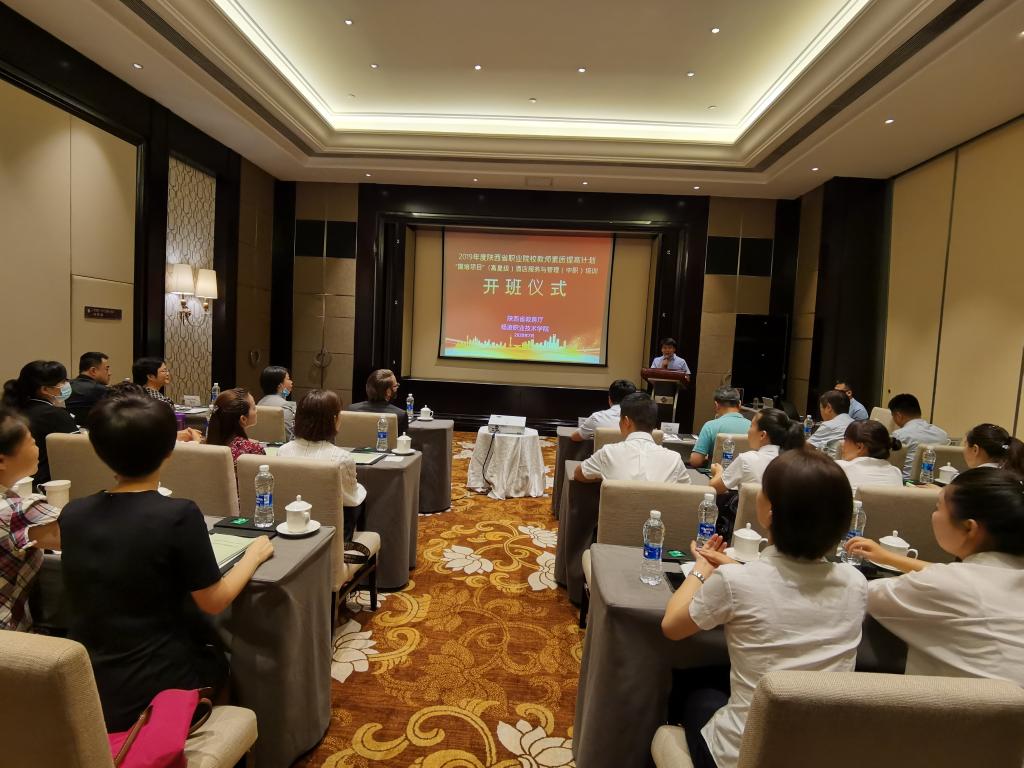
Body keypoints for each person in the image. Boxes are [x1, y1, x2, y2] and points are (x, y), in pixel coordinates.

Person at [59, 393, 274, 731]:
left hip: (86, 682)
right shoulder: (178, 514)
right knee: (228, 658)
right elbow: (215, 601)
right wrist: (253, 555)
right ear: (169, 450)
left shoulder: (73, 513)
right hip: (156, 686)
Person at [662, 449, 867, 768]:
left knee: (695, 691)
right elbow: (790, 582)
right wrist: (734, 568)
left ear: (770, 512)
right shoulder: (855, 582)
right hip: (820, 753)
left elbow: (672, 626)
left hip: (742, 755)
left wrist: (701, 569)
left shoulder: (735, 582)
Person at [845, 468, 1024, 685]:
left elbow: (859, 594)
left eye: (938, 507)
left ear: (969, 528)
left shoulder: (945, 585)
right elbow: (968, 577)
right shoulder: (997, 576)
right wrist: (889, 558)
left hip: (949, 706)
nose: (933, 514)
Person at [0, 405, 62, 631]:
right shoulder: (15, 512)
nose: (37, 446)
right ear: (1, 461)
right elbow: (82, 534)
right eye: (31, 441)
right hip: (10, 641)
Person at [279, 389, 366, 538]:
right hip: (331, 533)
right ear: (334, 419)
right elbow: (350, 499)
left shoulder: (283, 451)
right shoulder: (342, 458)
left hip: (292, 525)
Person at [574, 393, 690, 483]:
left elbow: (579, 474)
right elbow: (686, 493)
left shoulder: (608, 453)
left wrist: (603, 474)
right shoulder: (675, 459)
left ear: (626, 421)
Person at [2, 361, 80, 486]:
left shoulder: (14, 410)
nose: (67, 384)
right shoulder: (55, 415)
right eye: (62, 381)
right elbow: (79, 453)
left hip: (14, 481)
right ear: (44, 389)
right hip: (46, 484)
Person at [708, 408, 804, 494]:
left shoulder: (746, 459)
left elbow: (714, 488)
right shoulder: (794, 463)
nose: (748, 431)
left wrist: (719, 471)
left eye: (751, 426)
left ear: (762, 435)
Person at [887, 393, 949, 480]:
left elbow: (890, 464)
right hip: (935, 484)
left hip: (905, 484)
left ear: (898, 416)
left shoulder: (899, 435)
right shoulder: (942, 434)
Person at [690, 387, 751, 469]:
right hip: (744, 475)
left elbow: (695, 461)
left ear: (716, 405)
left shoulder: (710, 426)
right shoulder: (753, 426)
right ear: (739, 404)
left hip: (716, 475)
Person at [835, 419, 904, 488]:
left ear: (859, 447)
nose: (842, 445)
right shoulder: (896, 473)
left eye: (845, 439)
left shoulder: (839, 468)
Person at [205, 388, 265, 463]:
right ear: (243, 419)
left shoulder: (207, 446)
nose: (256, 411)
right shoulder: (253, 450)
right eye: (254, 408)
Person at [572, 379, 637, 442]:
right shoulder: (640, 419)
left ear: (609, 399)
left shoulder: (597, 417)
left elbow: (575, 437)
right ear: (634, 400)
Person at [348, 369, 408, 436]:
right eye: (395, 386)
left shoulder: (351, 409)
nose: (397, 388)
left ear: (366, 387)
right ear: (388, 392)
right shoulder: (400, 415)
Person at [66, 351, 111, 423]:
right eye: (107, 369)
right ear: (93, 371)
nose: (109, 373)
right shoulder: (101, 390)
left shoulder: (65, 386)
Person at [257, 365, 296, 441]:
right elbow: (289, 437)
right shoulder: (285, 405)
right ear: (280, 385)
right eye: (288, 379)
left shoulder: (260, 402)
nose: (291, 382)